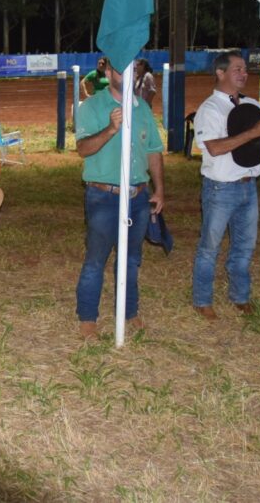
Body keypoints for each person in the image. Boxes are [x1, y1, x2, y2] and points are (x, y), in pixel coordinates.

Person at [74, 61, 164, 339]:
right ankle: (88, 317)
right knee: (96, 259)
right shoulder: (91, 107)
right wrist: (111, 129)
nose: (130, 74)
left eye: (133, 70)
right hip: (104, 195)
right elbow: (83, 149)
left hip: (138, 196)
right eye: (122, 69)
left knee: (132, 258)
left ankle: (129, 311)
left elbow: (153, 151)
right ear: (109, 73)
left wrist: (159, 189)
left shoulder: (142, 108)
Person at [190, 51, 260, 320]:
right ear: (220, 73)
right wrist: (253, 132)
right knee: (209, 247)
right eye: (237, 68)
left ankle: (240, 296)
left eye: (245, 69)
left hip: (249, 186)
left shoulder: (253, 105)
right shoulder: (210, 109)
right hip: (221, 188)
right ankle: (202, 300)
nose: (243, 73)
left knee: (245, 247)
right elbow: (214, 148)